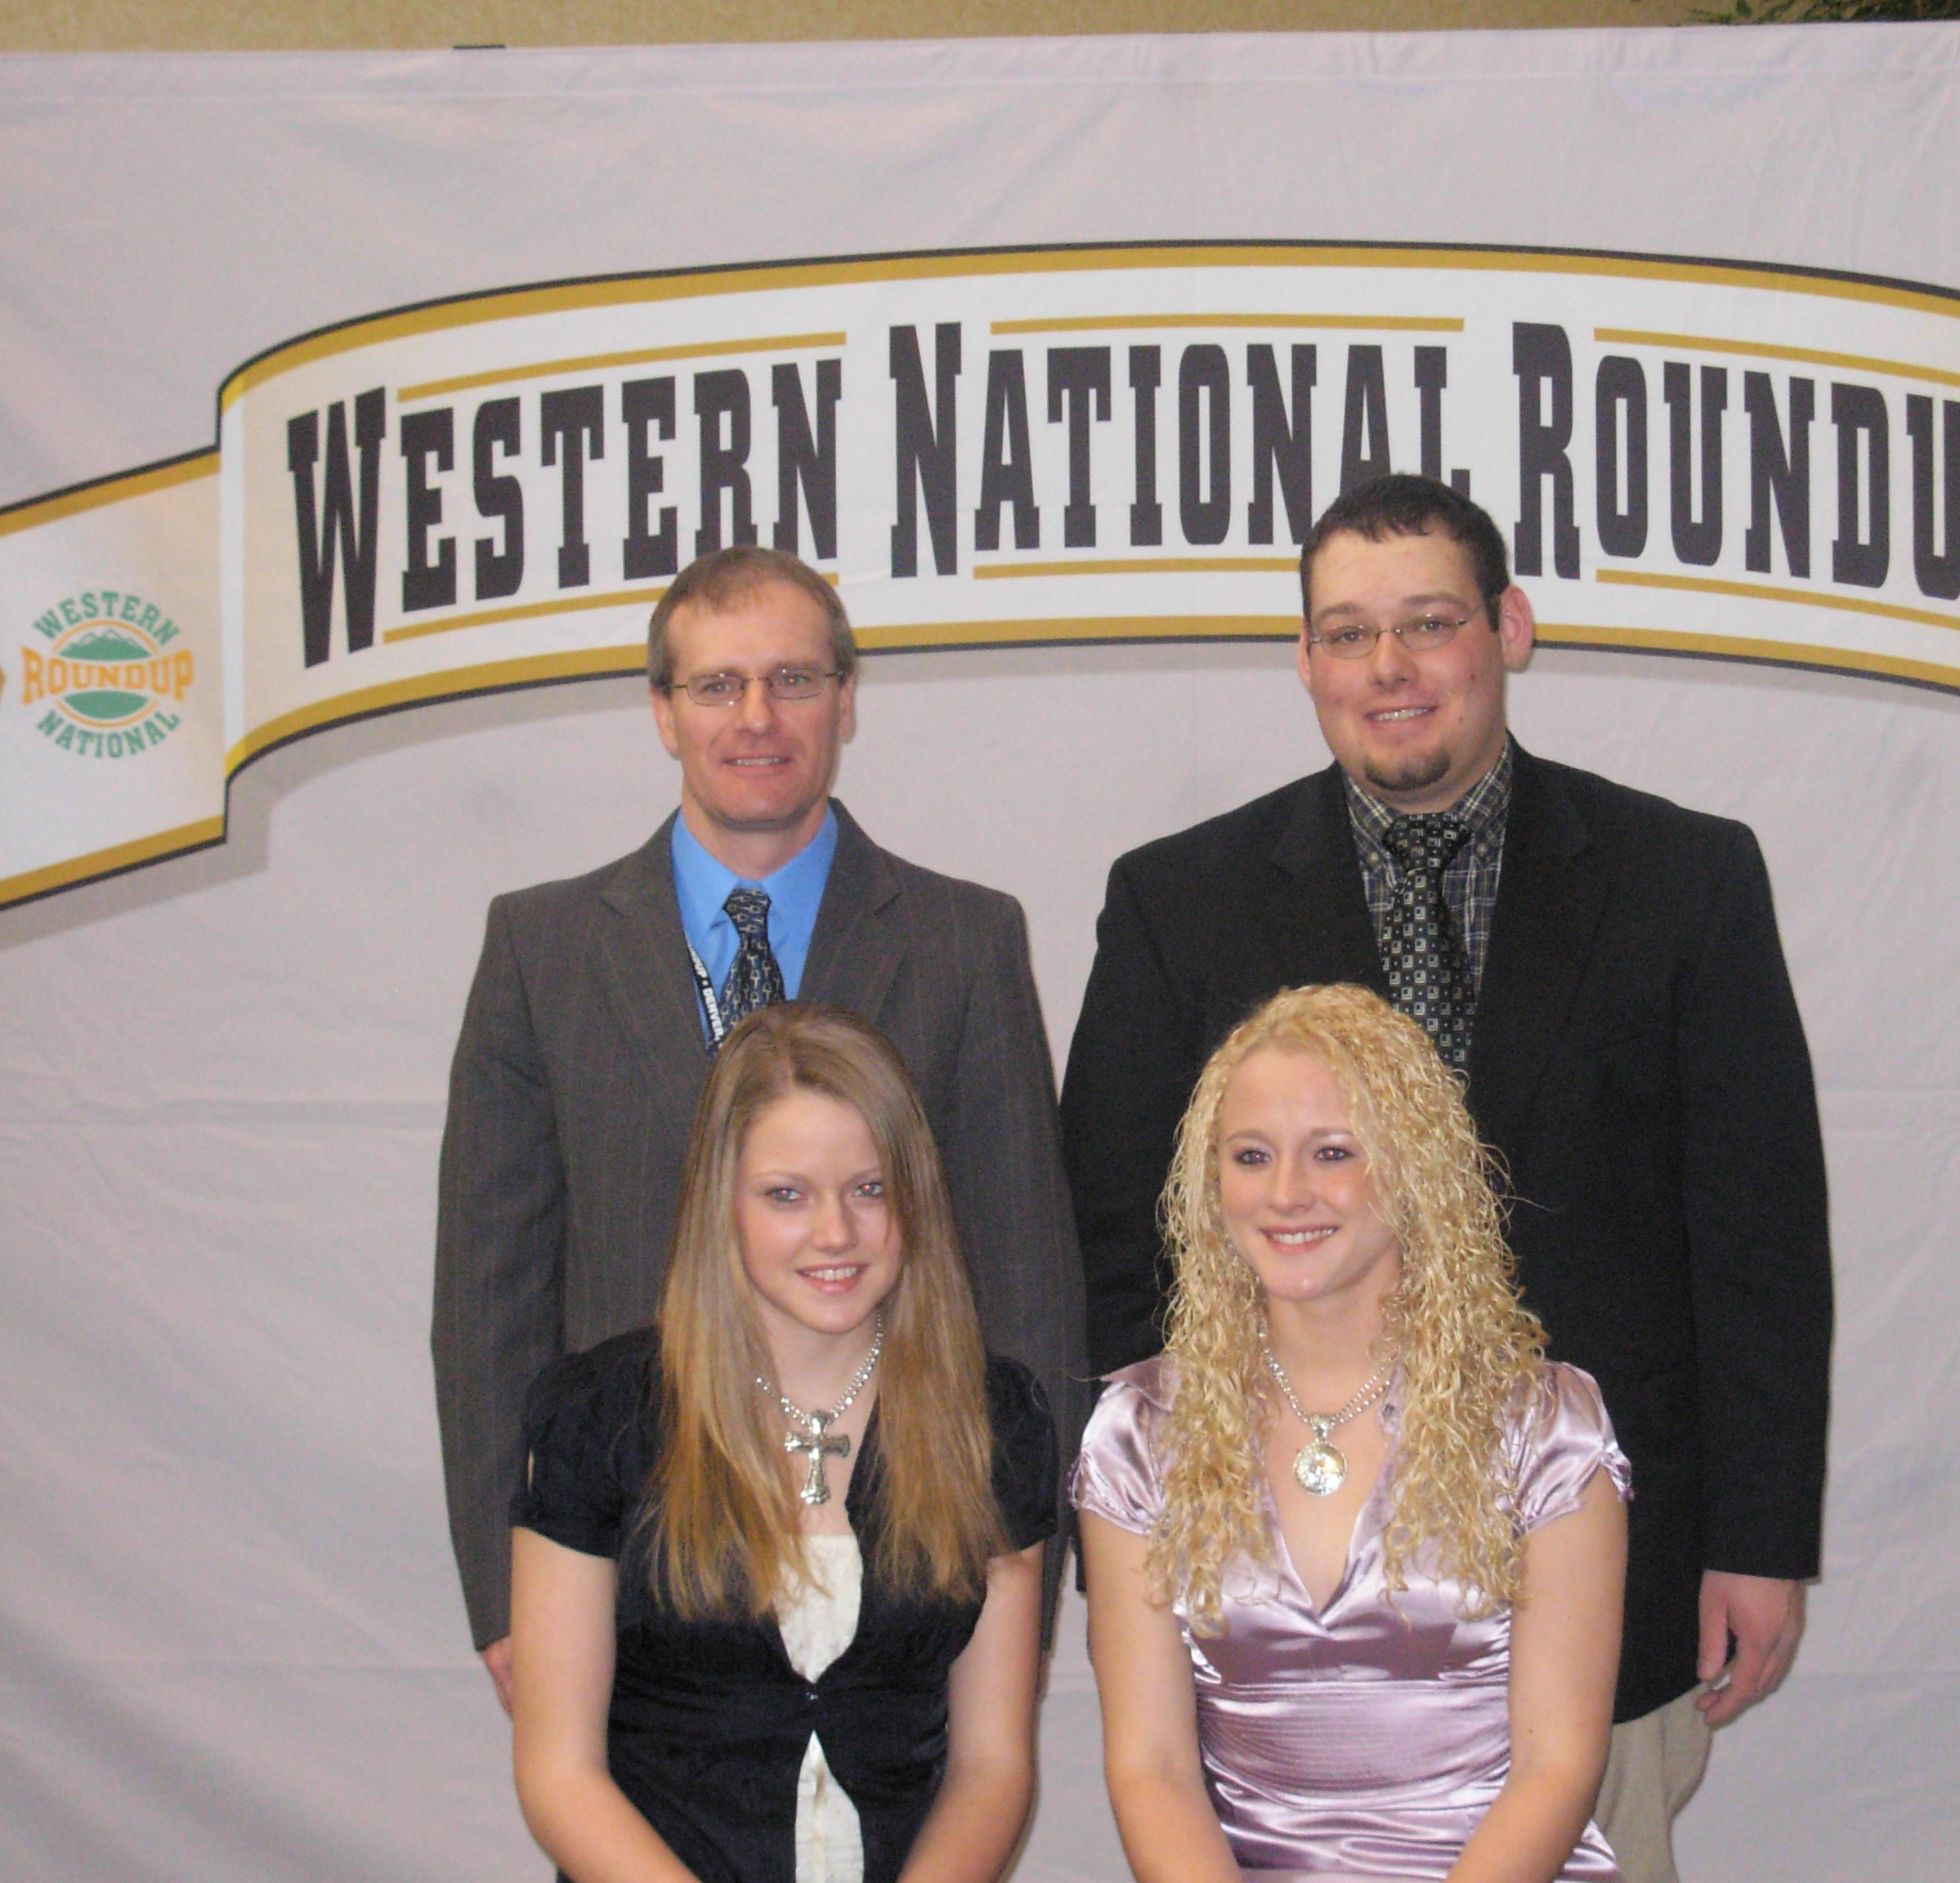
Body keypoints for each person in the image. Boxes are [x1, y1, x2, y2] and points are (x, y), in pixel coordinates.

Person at [1061, 476, 1831, 1882]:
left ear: (1509, 628)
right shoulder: (1182, 899)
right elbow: (1117, 1240)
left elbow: (1758, 1233)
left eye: (1427, 623)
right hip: (1273, 1624)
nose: (1388, 668)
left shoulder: (1685, 878)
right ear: (1304, 659)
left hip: (1607, 1572)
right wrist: (1150, 1539)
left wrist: (1760, 1533)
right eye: (1346, 634)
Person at [436, 546, 1085, 1711]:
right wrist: (505, 1589)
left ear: (845, 699)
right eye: (716, 685)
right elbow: (490, 1304)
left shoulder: (965, 944)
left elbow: (1028, 1288)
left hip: (907, 1572)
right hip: (620, 1565)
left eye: (792, 680)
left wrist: (1018, 1581)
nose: (756, 717)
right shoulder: (541, 953)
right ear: (661, 711)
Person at [1076, 984, 1630, 1883]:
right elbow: (1152, 1768)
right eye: (1251, 1156)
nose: (1287, 1194)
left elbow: (1556, 1767)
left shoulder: (1543, 1427)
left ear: (1413, 1169)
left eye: (1333, 1153)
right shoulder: (1140, 1433)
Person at [510, 1003, 1057, 1883]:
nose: (835, 1232)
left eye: (869, 1189)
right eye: (786, 1195)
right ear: (720, 1204)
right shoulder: (598, 1415)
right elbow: (557, 1773)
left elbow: (992, 1766)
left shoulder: (995, 1421)